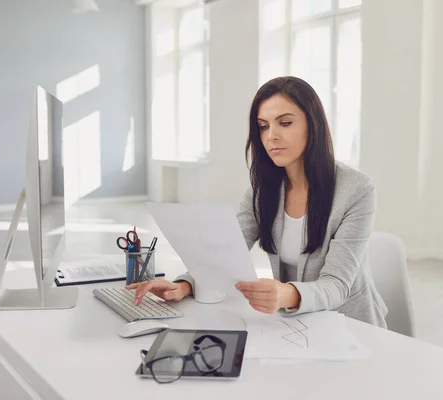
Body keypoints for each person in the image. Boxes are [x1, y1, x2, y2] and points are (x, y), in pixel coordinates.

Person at [126, 76, 388, 327]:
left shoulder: (356, 190)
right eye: (263, 126)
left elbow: (336, 285)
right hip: (296, 325)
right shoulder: (264, 189)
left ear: (313, 125)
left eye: (285, 123)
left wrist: (286, 295)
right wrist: (184, 284)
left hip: (351, 326)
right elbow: (225, 250)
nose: (271, 135)